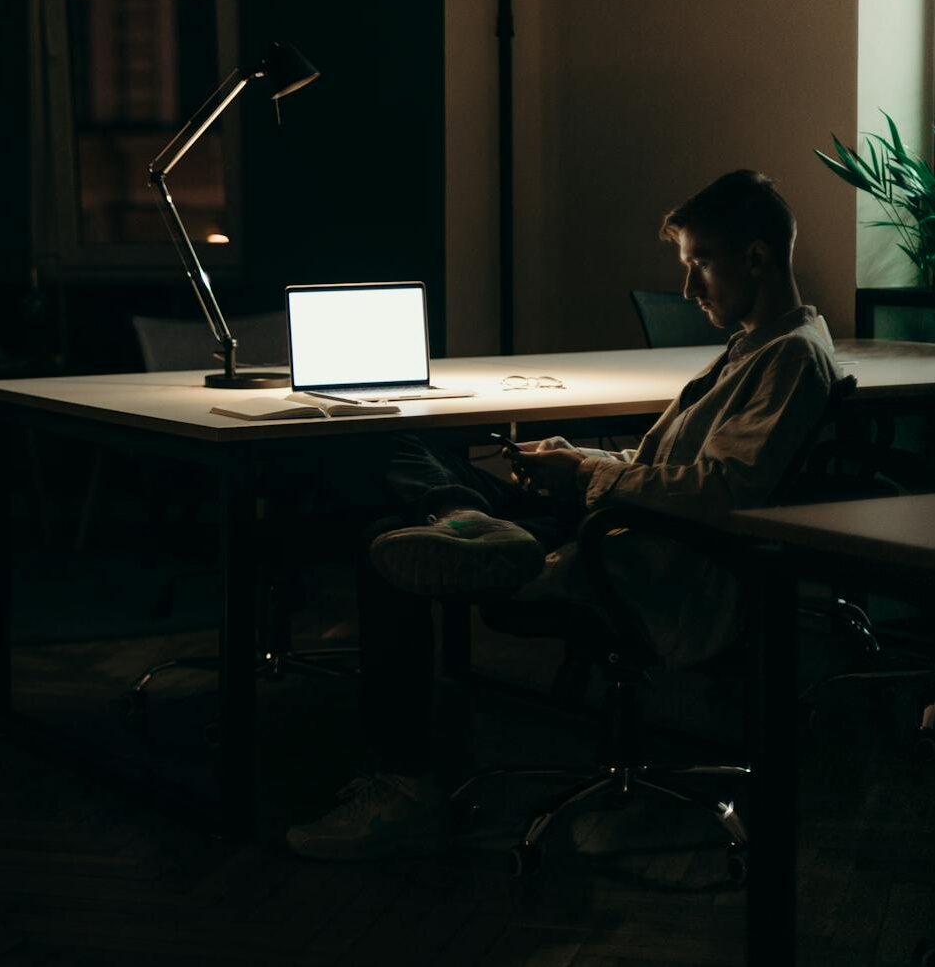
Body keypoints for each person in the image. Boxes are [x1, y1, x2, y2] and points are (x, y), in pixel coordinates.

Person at [286, 169, 842, 861]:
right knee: (396, 442)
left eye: (698, 263)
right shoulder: (757, 347)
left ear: (754, 258)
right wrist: (571, 456)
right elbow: (670, 463)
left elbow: (719, 492)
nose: (687, 288)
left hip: (639, 555)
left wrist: (587, 476)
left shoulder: (789, 360)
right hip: (621, 521)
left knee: (382, 542)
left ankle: (405, 782)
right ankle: (460, 512)